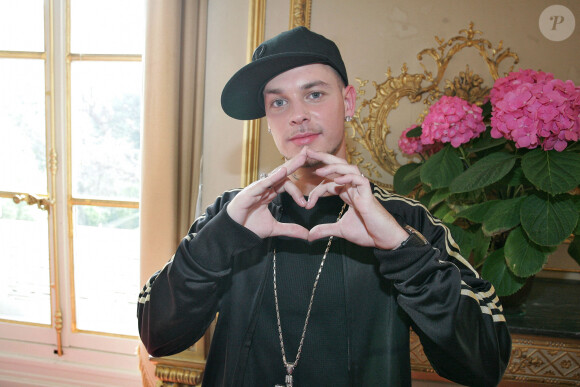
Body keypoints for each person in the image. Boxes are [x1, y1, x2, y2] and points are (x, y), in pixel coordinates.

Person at [138, 26, 511, 387]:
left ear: (348, 102)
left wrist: (401, 249)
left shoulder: (406, 220)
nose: (297, 114)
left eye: (314, 94)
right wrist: (217, 241)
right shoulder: (232, 215)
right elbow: (158, 336)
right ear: (268, 121)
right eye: (279, 102)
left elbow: (485, 362)